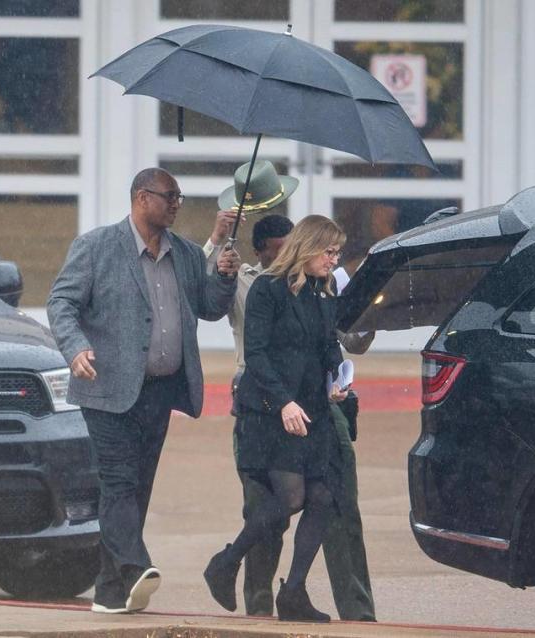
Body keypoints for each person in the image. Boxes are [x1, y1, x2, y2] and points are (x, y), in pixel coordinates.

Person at [46, 168, 239, 614]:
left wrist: (225, 277)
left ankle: (111, 592)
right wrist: (75, 348)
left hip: (160, 391)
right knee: (118, 483)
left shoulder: (187, 255)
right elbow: (61, 302)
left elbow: (209, 308)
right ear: (140, 197)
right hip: (106, 388)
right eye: (169, 196)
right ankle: (135, 566)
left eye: (180, 197)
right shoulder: (96, 247)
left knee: (139, 488)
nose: (176, 204)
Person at [203, 215, 348, 623]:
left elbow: (328, 346)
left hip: (310, 411)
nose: (334, 260)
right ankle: (225, 562)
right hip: (271, 410)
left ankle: (295, 592)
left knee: (323, 498)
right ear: (308, 246)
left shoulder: (324, 291)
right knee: (290, 498)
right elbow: (258, 354)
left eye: (337, 252)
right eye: (329, 251)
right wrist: (283, 402)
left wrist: (338, 378)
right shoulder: (268, 290)